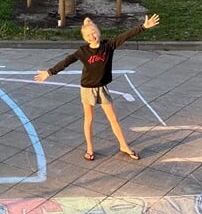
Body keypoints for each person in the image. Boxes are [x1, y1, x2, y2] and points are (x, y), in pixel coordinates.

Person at [34, 13, 160, 162]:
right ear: (85, 38)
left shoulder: (108, 46)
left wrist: (143, 27)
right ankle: (90, 148)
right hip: (87, 89)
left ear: (98, 32)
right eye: (87, 35)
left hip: (102, 88)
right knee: (89, 119)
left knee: (113, 119)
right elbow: (66, 62)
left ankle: (124, 146)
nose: (91, 36)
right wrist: (49, 72)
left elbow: (125, 36)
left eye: (93, 32)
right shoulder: (83, 51)